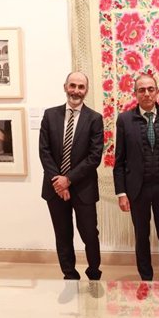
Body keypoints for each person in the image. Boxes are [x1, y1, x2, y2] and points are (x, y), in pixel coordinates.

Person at [113, 74, 159, 281]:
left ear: (157, 91)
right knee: (141, 237)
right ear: (135, 94)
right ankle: (145, 278)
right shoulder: (125, 120)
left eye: (150, 89)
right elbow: (120, 160)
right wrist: (121, 192)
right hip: (138, 189)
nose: (146, 93)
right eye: (141, 90)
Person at [39, 71, 104, 280]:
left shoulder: (94, 119)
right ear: (65, 86)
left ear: (86, 91)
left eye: (81, 87)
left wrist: (68, 179)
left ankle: (94, 273)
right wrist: (58, 181)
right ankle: (70, 276)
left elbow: (94, 157)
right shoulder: (50, 115)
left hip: (83, 188)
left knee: (89, 235)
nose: (76, 90)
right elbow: (44, 151)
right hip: (54, 188)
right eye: (73, 85)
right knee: (63, 234)